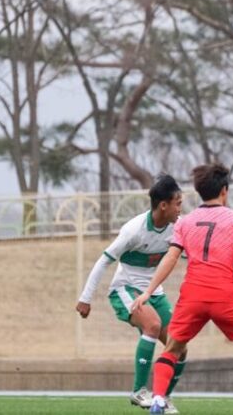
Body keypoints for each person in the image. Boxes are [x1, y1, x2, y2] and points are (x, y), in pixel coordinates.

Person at [131, 163, 233, 414]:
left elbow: (170, 258)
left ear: (199, 191)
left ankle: (158, 399)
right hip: (225, 294)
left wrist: (148, 291)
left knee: (172, 349)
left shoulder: (185, 222)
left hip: (192, 295)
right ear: (224, 190)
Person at [76, 174, 184, 413]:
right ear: (163, 205)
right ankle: (138, 391)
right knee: (153, 326)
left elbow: (190, 255)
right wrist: (85, 298)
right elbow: (103, 261)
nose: (181, 208)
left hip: (154, 292)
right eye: (178, 203)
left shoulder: (178, 228)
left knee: (180, 346)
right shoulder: (133, 230)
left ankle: (162, 398)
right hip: (124, 289)